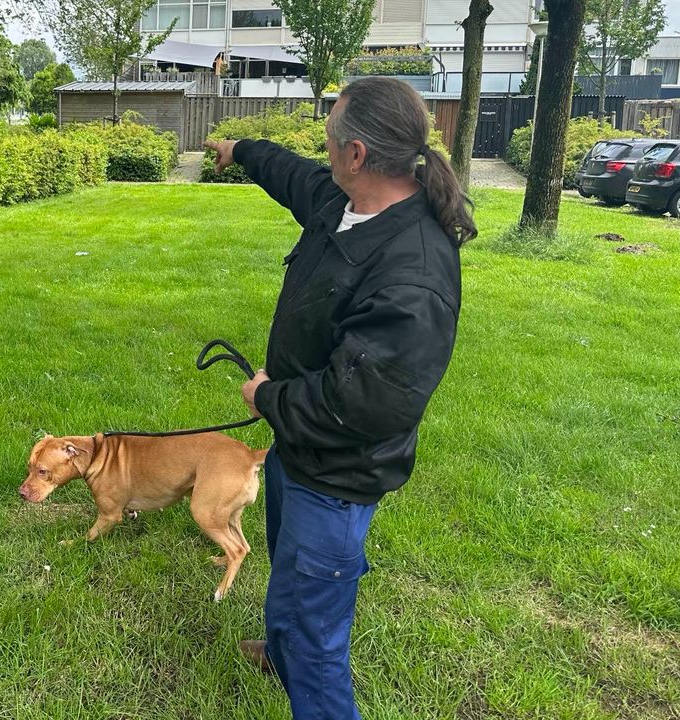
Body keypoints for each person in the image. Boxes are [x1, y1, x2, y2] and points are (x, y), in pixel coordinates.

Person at [204, 76, 476, 718]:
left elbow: (367, 405)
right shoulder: (344, 200)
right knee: (286, 569)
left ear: (356, 154)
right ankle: (278, 651)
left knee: (321, 643)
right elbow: (293, 175)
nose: (323, 147)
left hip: (338, 474)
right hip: (296, 452)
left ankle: (303, 665)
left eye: (330, 135)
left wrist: (269, 397)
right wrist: (241, 148)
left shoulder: (413, 270)